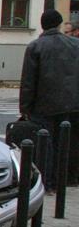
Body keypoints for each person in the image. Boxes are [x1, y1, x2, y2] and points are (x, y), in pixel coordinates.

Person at [20, 10, 79, 191]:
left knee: (46, 144)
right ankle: (67, 179)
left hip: (43, 105)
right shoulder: (75, 44)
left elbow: (28, 81)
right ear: (60, 23)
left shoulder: (35, 46)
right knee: (67, 143)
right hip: (72, 105)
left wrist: (25, 108)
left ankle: (48, 182)